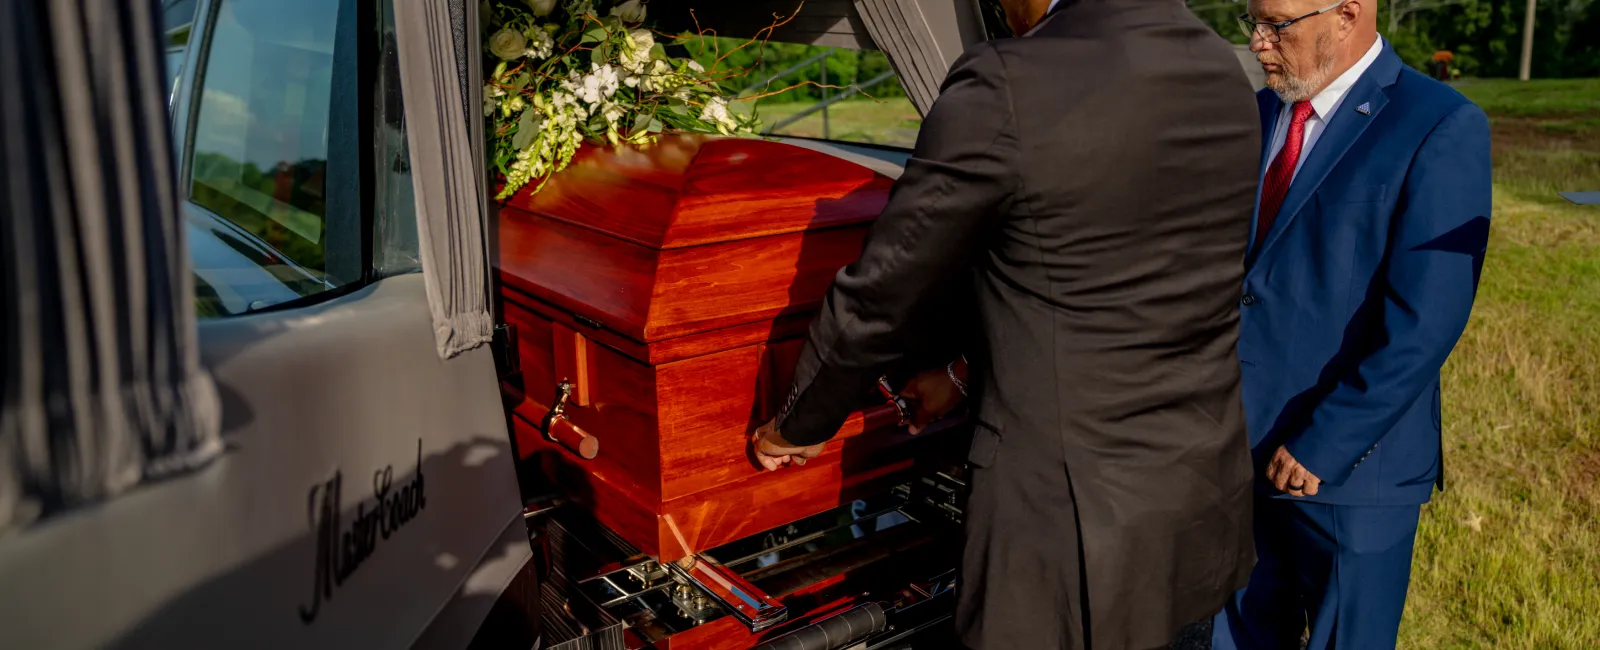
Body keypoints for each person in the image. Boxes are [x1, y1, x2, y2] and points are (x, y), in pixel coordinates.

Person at [746, 0, 1262, 648]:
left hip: (1065, 532)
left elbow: (887, 288)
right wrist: (962, 374)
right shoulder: (1215, 62)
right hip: (1196, 503)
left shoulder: (1010, 79)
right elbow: (1115, 272)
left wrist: (800, 422)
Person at [1212, 0, 1491, 649]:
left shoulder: (1438, 124)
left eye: (1276, 25)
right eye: (1252, 23)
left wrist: (1325, 444)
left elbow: (1426, 320)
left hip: (1351, 475)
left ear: (1346, 13)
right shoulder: (1260, 115)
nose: (1258, 43)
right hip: (1239, 453)